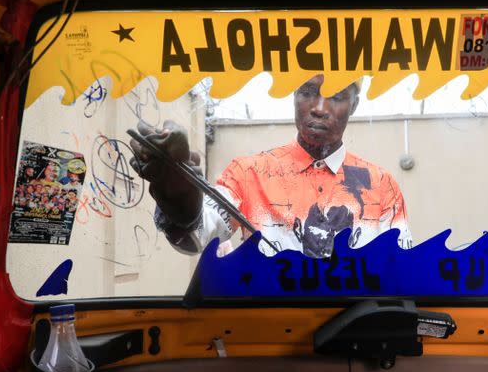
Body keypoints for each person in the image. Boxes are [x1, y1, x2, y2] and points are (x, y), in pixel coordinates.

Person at [129, 75, 412, 258]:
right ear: (293, 97)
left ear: (354, 106)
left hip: (356, 339)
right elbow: (195, 237)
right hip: (269, 338)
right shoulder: (248, 173)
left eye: (337, 96)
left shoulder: (381, 186)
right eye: (307, 91)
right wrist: (178, 195)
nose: (320, 108)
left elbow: (403, 270)